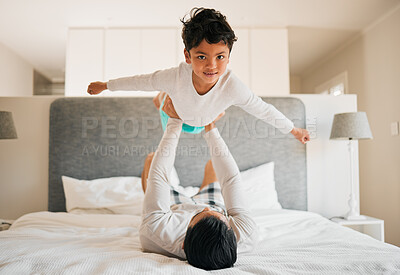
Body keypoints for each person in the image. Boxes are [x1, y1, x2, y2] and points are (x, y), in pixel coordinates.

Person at [87, 7, 310, 143]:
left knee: (212, 116)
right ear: (188, 55)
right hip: (174, 114)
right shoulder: (175, 76)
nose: (211, 66)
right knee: (162, 101)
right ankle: (164, 98)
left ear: (229, 56)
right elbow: (142, 81)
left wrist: (294, 130)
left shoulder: (232, 86)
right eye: (202, 57)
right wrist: (106, 85)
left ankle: (213, 114)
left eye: (220, 57)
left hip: (200, 123)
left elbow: (264, 110)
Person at [139, 98, 257, 270]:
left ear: (183, 245)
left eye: (199, 214)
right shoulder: (246, 234)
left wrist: (174, 121)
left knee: (151, 160)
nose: (205, 209)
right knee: (214, 165)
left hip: (172, 210)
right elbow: (230, 179)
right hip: (215, 204)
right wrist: (209, 125)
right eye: (222, 219)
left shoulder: (156, 231)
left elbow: (160, 176)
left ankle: (160, 102)